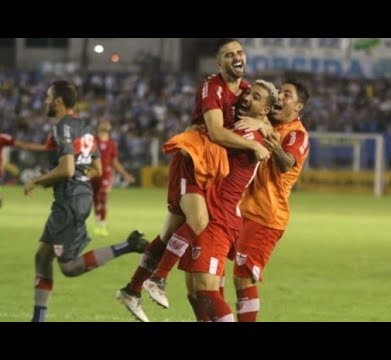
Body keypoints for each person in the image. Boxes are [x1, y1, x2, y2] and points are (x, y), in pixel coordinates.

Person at [116, 38, 269, 322]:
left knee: (169, 233)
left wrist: (261, 123)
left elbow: (264, 117)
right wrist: (253, 145)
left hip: (212, 166)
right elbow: (216, 132)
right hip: (194, 160)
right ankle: (158, 279)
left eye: (240, 52)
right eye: (228, 55)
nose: (236, 58)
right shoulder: (212, 87)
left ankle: (132, 289)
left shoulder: (247, 92)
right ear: (219, 63)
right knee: (199, 222)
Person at [145, 80, 277, 321]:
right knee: (196, 291)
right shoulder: (244, 126)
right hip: (212, 209)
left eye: (256, 98)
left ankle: (156, 277)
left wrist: (194, 134)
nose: (247, 98)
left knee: (205, 289)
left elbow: (215, 135)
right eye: (249, 94)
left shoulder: (247, 133)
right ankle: (153, 278)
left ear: (266, 110)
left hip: (219, 216)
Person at [24, 80, 149, 322]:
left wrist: (37, 181)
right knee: (42, 255)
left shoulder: (62, 127)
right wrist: (77, 178)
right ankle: (38, 318)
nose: (46, 102)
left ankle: (128, 245)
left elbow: (68, 169)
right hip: (78, 197)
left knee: (68, 267)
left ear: (59, 101)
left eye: (49, 97)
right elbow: (98, 169)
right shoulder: (86, 128)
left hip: (69, 202)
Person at [232, 80, 310, 321]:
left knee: (243, 277)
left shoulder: (297, 134)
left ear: (298, 107)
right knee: (212, 268)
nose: (279, 96)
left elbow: (287, 164)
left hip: (266, 216)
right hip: (242, 210)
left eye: (287, 95)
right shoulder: (267, 124)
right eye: (279, 92)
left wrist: (274, 145)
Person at [91, 119, 135, 237]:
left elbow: (115, 162)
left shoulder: (112, 144)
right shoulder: (92, 141)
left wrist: (125, 174)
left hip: (106, 174)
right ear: (99, 126)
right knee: (95, 200)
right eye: (104, 122)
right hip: (93, 174)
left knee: (104, 196)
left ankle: (103, 225)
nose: (106, 124)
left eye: (108, 123)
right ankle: (98, 222)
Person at [0, 134, 47, 208]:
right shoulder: (2, 137)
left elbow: (23, 145)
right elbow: (24, 145)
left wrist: (45, 148)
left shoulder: (2, 138)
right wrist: (45, 148)